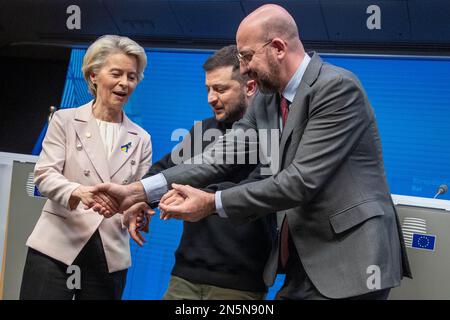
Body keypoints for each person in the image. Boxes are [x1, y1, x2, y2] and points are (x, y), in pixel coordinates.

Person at [91, 4, 412, 300]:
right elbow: (221, 156)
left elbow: (300, 181)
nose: (243, 70)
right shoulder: (268, 99)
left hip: (352, 255)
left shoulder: (337, 88)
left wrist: (211, 203)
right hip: (306, 255)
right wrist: (139, 191)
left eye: (246, 57)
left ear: (278, 48)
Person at [125, 45, 274, 300]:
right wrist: (140, 198)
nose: (210, 98)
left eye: (220, 89)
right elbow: (166, 169)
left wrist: (201, 197)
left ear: (249, 87)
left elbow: (257, 190)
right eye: (208, 89)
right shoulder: (203, 130)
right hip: (184, 277)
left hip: (239, 286)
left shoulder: (271, 136)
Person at [20, 35, 152, 300]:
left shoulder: (142, 138)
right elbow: (44, 175)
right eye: (116, 73)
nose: (124, 83)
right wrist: (80, 192)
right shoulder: (65, 120)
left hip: (109, 255)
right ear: (93, 75)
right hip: (56, 247)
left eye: (132, 76)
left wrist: (137, 213)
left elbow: (139, 194)